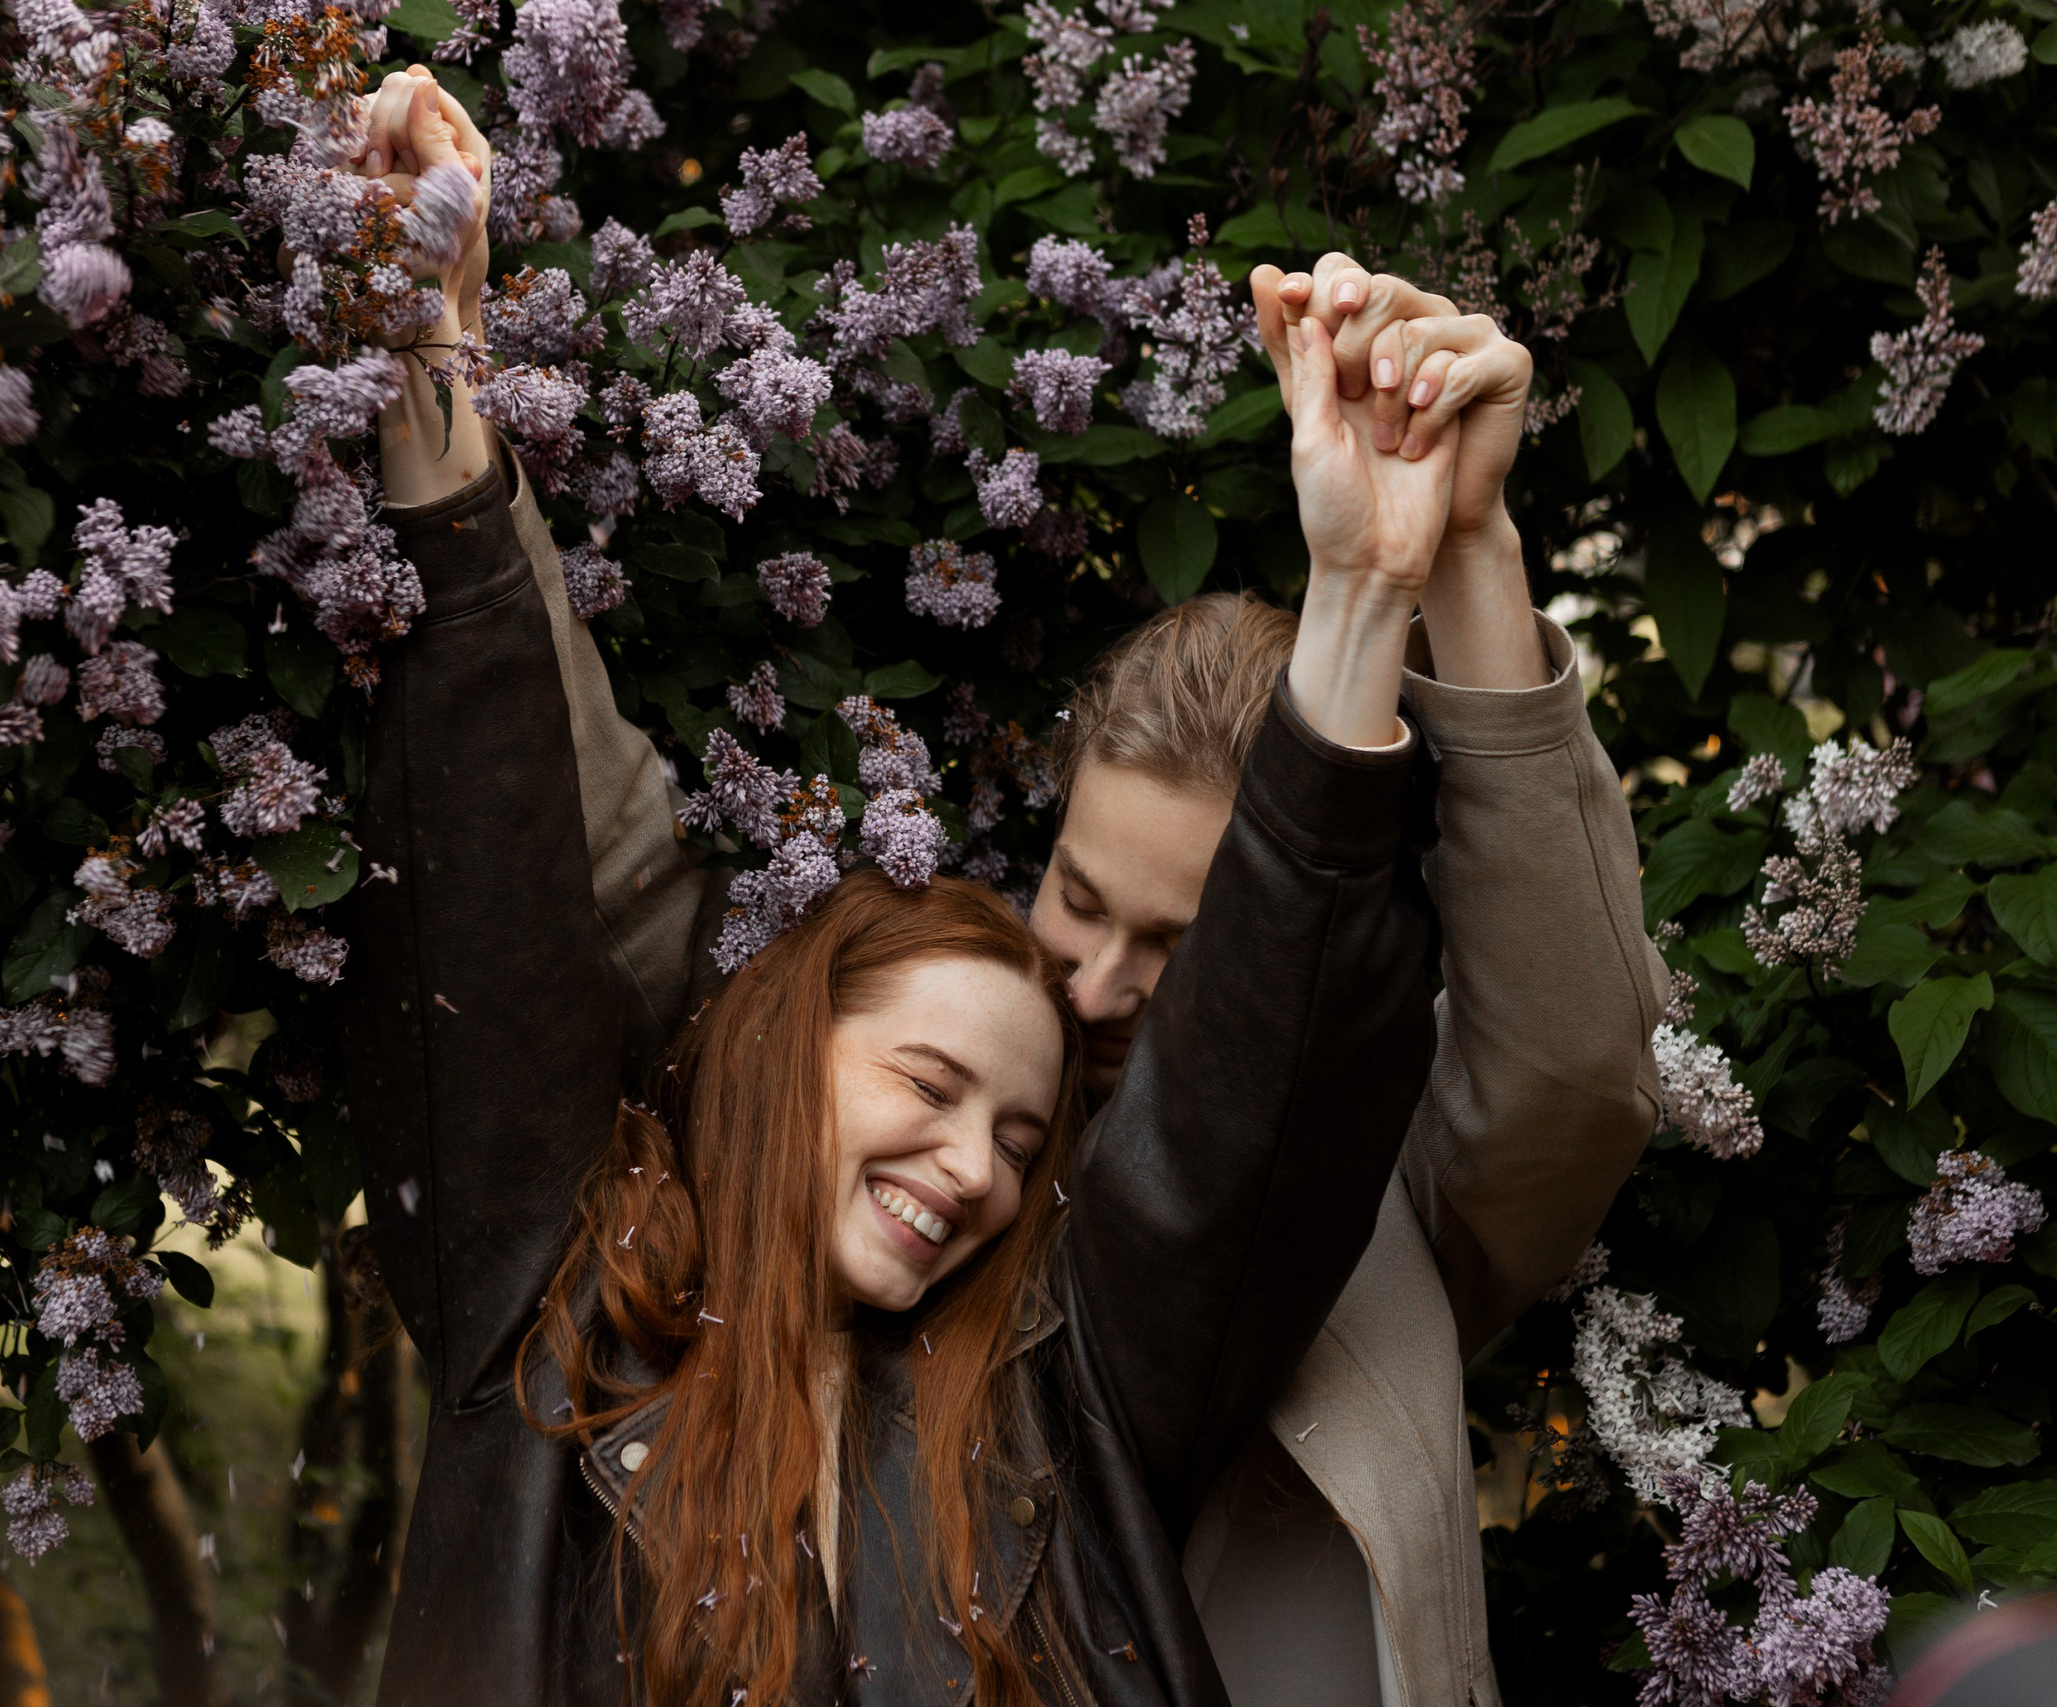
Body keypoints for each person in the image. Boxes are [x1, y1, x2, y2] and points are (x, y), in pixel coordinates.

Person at [383, 68, 1671, 1702]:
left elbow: (1530, 1076)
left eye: (1190, 949)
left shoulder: (1305, 1188)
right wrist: (435, 376)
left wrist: (1441, 559)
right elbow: (563, 861)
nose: (1106, 985)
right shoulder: (694, 1253)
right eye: (1081, 901)